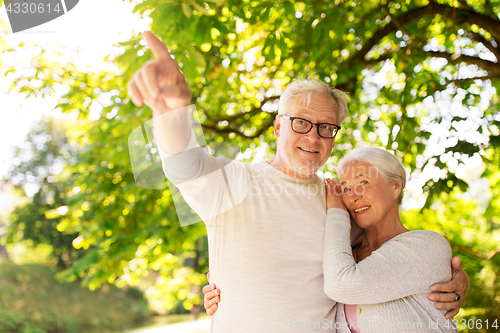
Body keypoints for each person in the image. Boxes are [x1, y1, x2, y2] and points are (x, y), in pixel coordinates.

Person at [128, 31, 468, 332]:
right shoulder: (235, 181)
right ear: (278, 127)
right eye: (301, 122)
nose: (314, 137)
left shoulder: (339, 200)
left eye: (326, 127)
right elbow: (183, 163)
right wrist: (172, 110)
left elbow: (386, 257)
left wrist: (450, 281)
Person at [322, 147, 458, 332]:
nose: (353, 196)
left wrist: (336, 212)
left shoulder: (427, 245)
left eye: (364, 181)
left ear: (395, 187)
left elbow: (340, 286)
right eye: (346, 188)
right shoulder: (344, 258)